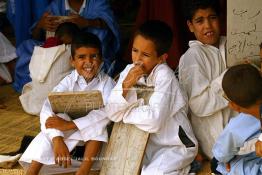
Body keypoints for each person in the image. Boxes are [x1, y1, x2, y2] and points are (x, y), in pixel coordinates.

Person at [105, 20, 198, 175]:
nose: (138, 59)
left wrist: (126, 112)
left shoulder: (165, 76)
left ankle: (188, 168)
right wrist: (126, 84)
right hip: (147, 144)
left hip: (176, 145)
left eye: (146, 54)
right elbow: (111, 112)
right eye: (135, 50)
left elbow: (154, 121)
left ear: (161, 58)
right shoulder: (129, 71)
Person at [19, 32, 115, 175]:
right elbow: (47, 107)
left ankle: (83, 171)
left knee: (98, 127)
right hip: (68, 133)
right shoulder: (68, 81)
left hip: (92, 140)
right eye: (81, 57)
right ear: (72, 61)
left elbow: (108, 112)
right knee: (57, 119)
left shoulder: (108, 83)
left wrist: (70, 125)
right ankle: (32, 172)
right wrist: (57, 140)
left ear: (101, 60)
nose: (88, 62)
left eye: (94, 56)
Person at [13, 0, 120, 92]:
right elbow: (36, 36)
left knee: (98, 35)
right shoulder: (56, 5)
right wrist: (40, 25)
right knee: (27, 46)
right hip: (59, 47)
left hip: (86, 50)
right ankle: (36, 84)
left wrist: (87, 22)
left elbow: (111, 24)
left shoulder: (97, 2)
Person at [178, 0, 237, 161]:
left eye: (212, 18)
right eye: (200, 21)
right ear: (190, 26)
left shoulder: (235, 45)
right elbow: (199, 105)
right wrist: (232, 77)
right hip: (217, 141)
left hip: (247, 134)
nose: (208, 26)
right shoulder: (192, 57)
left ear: (220, 19)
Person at [19, 22, 80, 116]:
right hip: (59, 106)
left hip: (34, 106)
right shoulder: (71, 50)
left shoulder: (38, 49)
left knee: (34, 83)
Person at [212, 64, 262, 175]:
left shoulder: (238, 126)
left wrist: (223, 160)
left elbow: (221, 154)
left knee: (221, 165)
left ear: (234, 106)